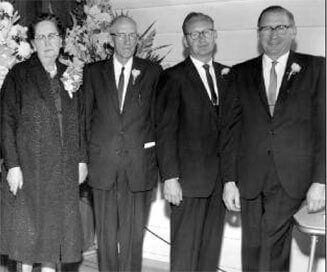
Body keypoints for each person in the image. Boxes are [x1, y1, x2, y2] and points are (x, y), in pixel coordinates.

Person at [222, 5, 326, 272]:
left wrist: (320, 181)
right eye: (266, 28)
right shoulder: (239, 73)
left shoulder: (316, 69)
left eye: (280, 27)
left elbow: (324, 129)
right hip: (250, 177)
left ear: (293, 31)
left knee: (272, 245)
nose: (273, 33)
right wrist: (229, 180)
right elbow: (230, 131)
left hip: (291, 176)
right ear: (258, 34)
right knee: (253, 246)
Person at [0, 13, 88, 272]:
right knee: (26, 236)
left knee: (55, 236)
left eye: (53, 36)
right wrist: (13, 165)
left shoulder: (70, 74)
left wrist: (82, 159)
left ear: (61, 41)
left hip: (62, 169)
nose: (48, 42)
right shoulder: (20, 75)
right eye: (41, 37)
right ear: (33, 43)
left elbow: (80, 120)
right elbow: (6, 121)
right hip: (30, 167)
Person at [83, 15, 162, 271]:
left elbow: (159, 119)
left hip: (139, 164)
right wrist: (82, 160)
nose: (128, 41)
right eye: (122, 35)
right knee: (105, 236)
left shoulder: (152, 72)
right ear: (111, 39)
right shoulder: (93, 72)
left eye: (132, 36)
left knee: (133, 237)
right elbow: (85, 118)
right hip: (102, 163)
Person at [156, 12, 232, 272]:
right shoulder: (173, 77)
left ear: (215, 34)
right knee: (185, 253)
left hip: (219, 182)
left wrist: (232, 179)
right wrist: (170, 177)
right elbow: (165, 131)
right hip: (187, 182)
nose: (201, 38)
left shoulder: (227, 76)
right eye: (194, 34)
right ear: (185, 40)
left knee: (210, 252)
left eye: (206, 32)